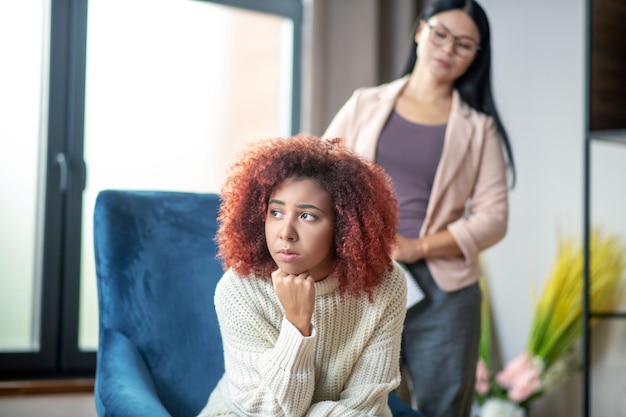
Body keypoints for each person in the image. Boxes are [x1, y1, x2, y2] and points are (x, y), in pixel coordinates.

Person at [323, 1, 515, 416]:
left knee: (443, 408)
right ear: (419, 31)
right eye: (441, 34)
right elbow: (321, 177)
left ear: (477, 56)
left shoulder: (479, 129)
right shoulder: (364, 103)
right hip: (365, 276)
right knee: (355, 402)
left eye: (465, 44)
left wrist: (418, 247)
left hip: (444, 291)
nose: (448, 49)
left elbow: (493, 218)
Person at [197, 134, 409, 417]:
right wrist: (296, 324)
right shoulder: (239, 289)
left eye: (307, 216)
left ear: (345, 225)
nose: (285, 232)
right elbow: (264, 411)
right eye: (275, 212)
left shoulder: (384, 285)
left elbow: (367, 406)